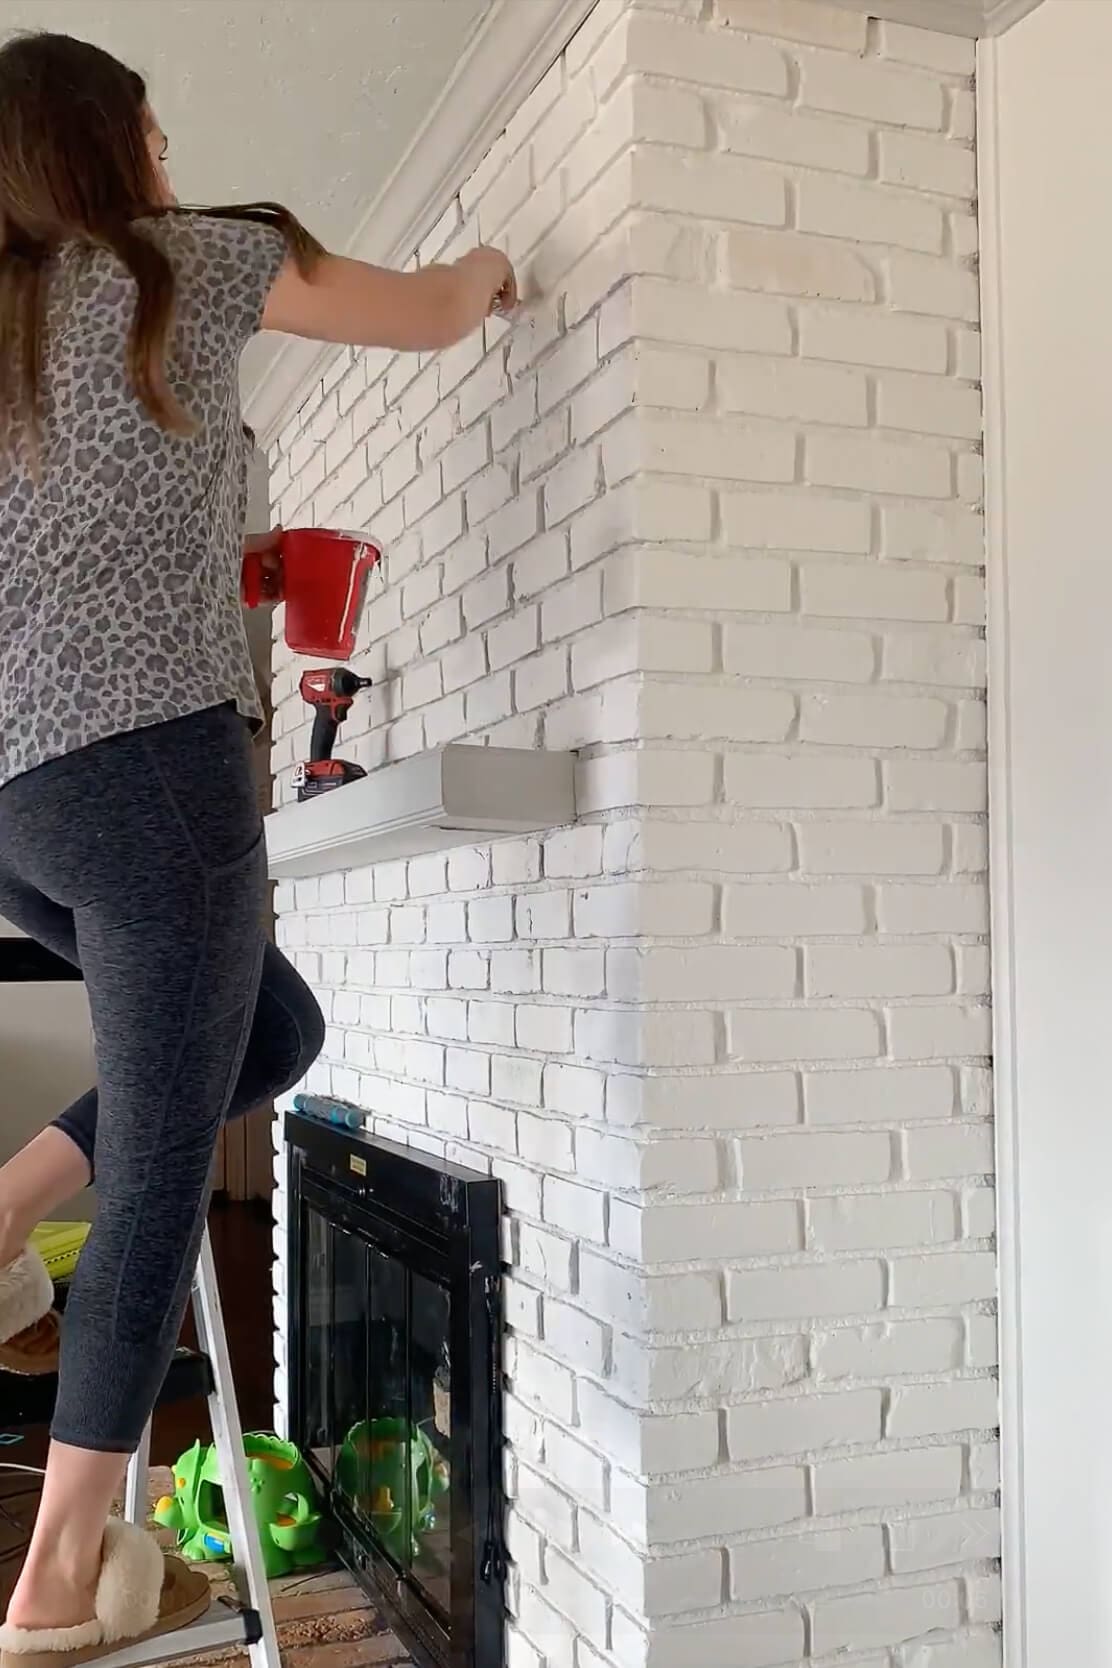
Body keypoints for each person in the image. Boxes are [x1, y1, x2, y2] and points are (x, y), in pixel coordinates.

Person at [0, 30, 516, 1664]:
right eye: (149, 130)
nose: (164, 153)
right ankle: (58, 1583)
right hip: (150, 776)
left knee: (275, 1033)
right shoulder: (195, 257)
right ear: (115, 144)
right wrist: (505, 260)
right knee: (164, 1168)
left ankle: (5, 1205)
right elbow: (433, 311)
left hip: (14, 810)